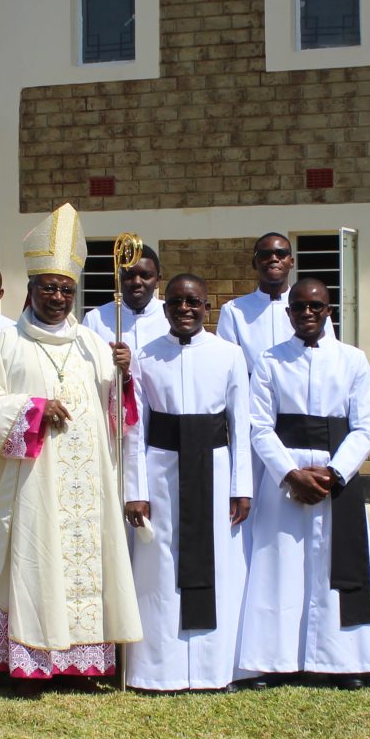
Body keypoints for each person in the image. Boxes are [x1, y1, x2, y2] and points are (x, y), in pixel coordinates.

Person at [0, 203, 141, 686]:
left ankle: (85, 660)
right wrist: (33, 410)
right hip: (31, 485)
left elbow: (119, 417)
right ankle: (34, 659)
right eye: (49, 288)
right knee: (36, 558)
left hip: (88, 490)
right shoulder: (6, 344)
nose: (59, 297)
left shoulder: (92, 344)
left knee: (86, 564)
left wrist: (122, 376)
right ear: (31, 290)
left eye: (67, 289)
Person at [238, 278, 370, 687]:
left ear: (329, 311)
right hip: (285, 476)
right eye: (299, 307)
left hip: (336, 476)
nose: (307, 313)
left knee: (334, 566)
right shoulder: (270, 361)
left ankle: (343, 662)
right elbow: (259, 425)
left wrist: (336, 471)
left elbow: (366, 425)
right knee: (279, 566)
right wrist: (290, 473)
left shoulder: (353, 359)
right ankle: (273, 661)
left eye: (316, 307)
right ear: (288, 313)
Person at [122, 273, 252, 692]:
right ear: (165, 308)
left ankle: (216, 669)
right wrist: (135, 491)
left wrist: (241, 487)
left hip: (213, 470)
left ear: (207, 307)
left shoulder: (229, 355)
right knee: (160, 568)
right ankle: (158, 670)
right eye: (176, 302)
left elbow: (241, 425)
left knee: (216, 564)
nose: (184, 309)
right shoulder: (144, 357)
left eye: (193, 302)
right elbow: (135, 429)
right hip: (162, 471)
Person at [216, 232, 331, 373]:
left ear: (292, 262)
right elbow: (227, 362)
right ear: (254, 263)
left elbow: (327, 351)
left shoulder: (313, 306)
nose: (273, 259)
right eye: (265, 254)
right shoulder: (234, 310)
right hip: (252, 390)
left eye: (281, 253)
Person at [82, 243, 167, 358]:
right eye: (129, 275)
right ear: (119, 279)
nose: (137, 282)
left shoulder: (171, 316)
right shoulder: (95, 320)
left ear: (158, 281)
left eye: (145, 275)